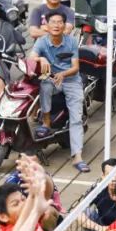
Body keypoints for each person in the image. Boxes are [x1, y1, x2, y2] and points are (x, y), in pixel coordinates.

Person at [32, 11, 88, 172]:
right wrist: (41, 58)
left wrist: (62, 74)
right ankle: (46, 122)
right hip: (51, 79)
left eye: (59, 22)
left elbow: (75, 67)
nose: (56, 25)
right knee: (44, 86)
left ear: (64, 26)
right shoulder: (42, 42)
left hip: (71, 80)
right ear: (47, 25)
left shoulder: (71, 42)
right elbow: (31, 57)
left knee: (76, 118)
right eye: (53, 22)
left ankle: (77, 156)